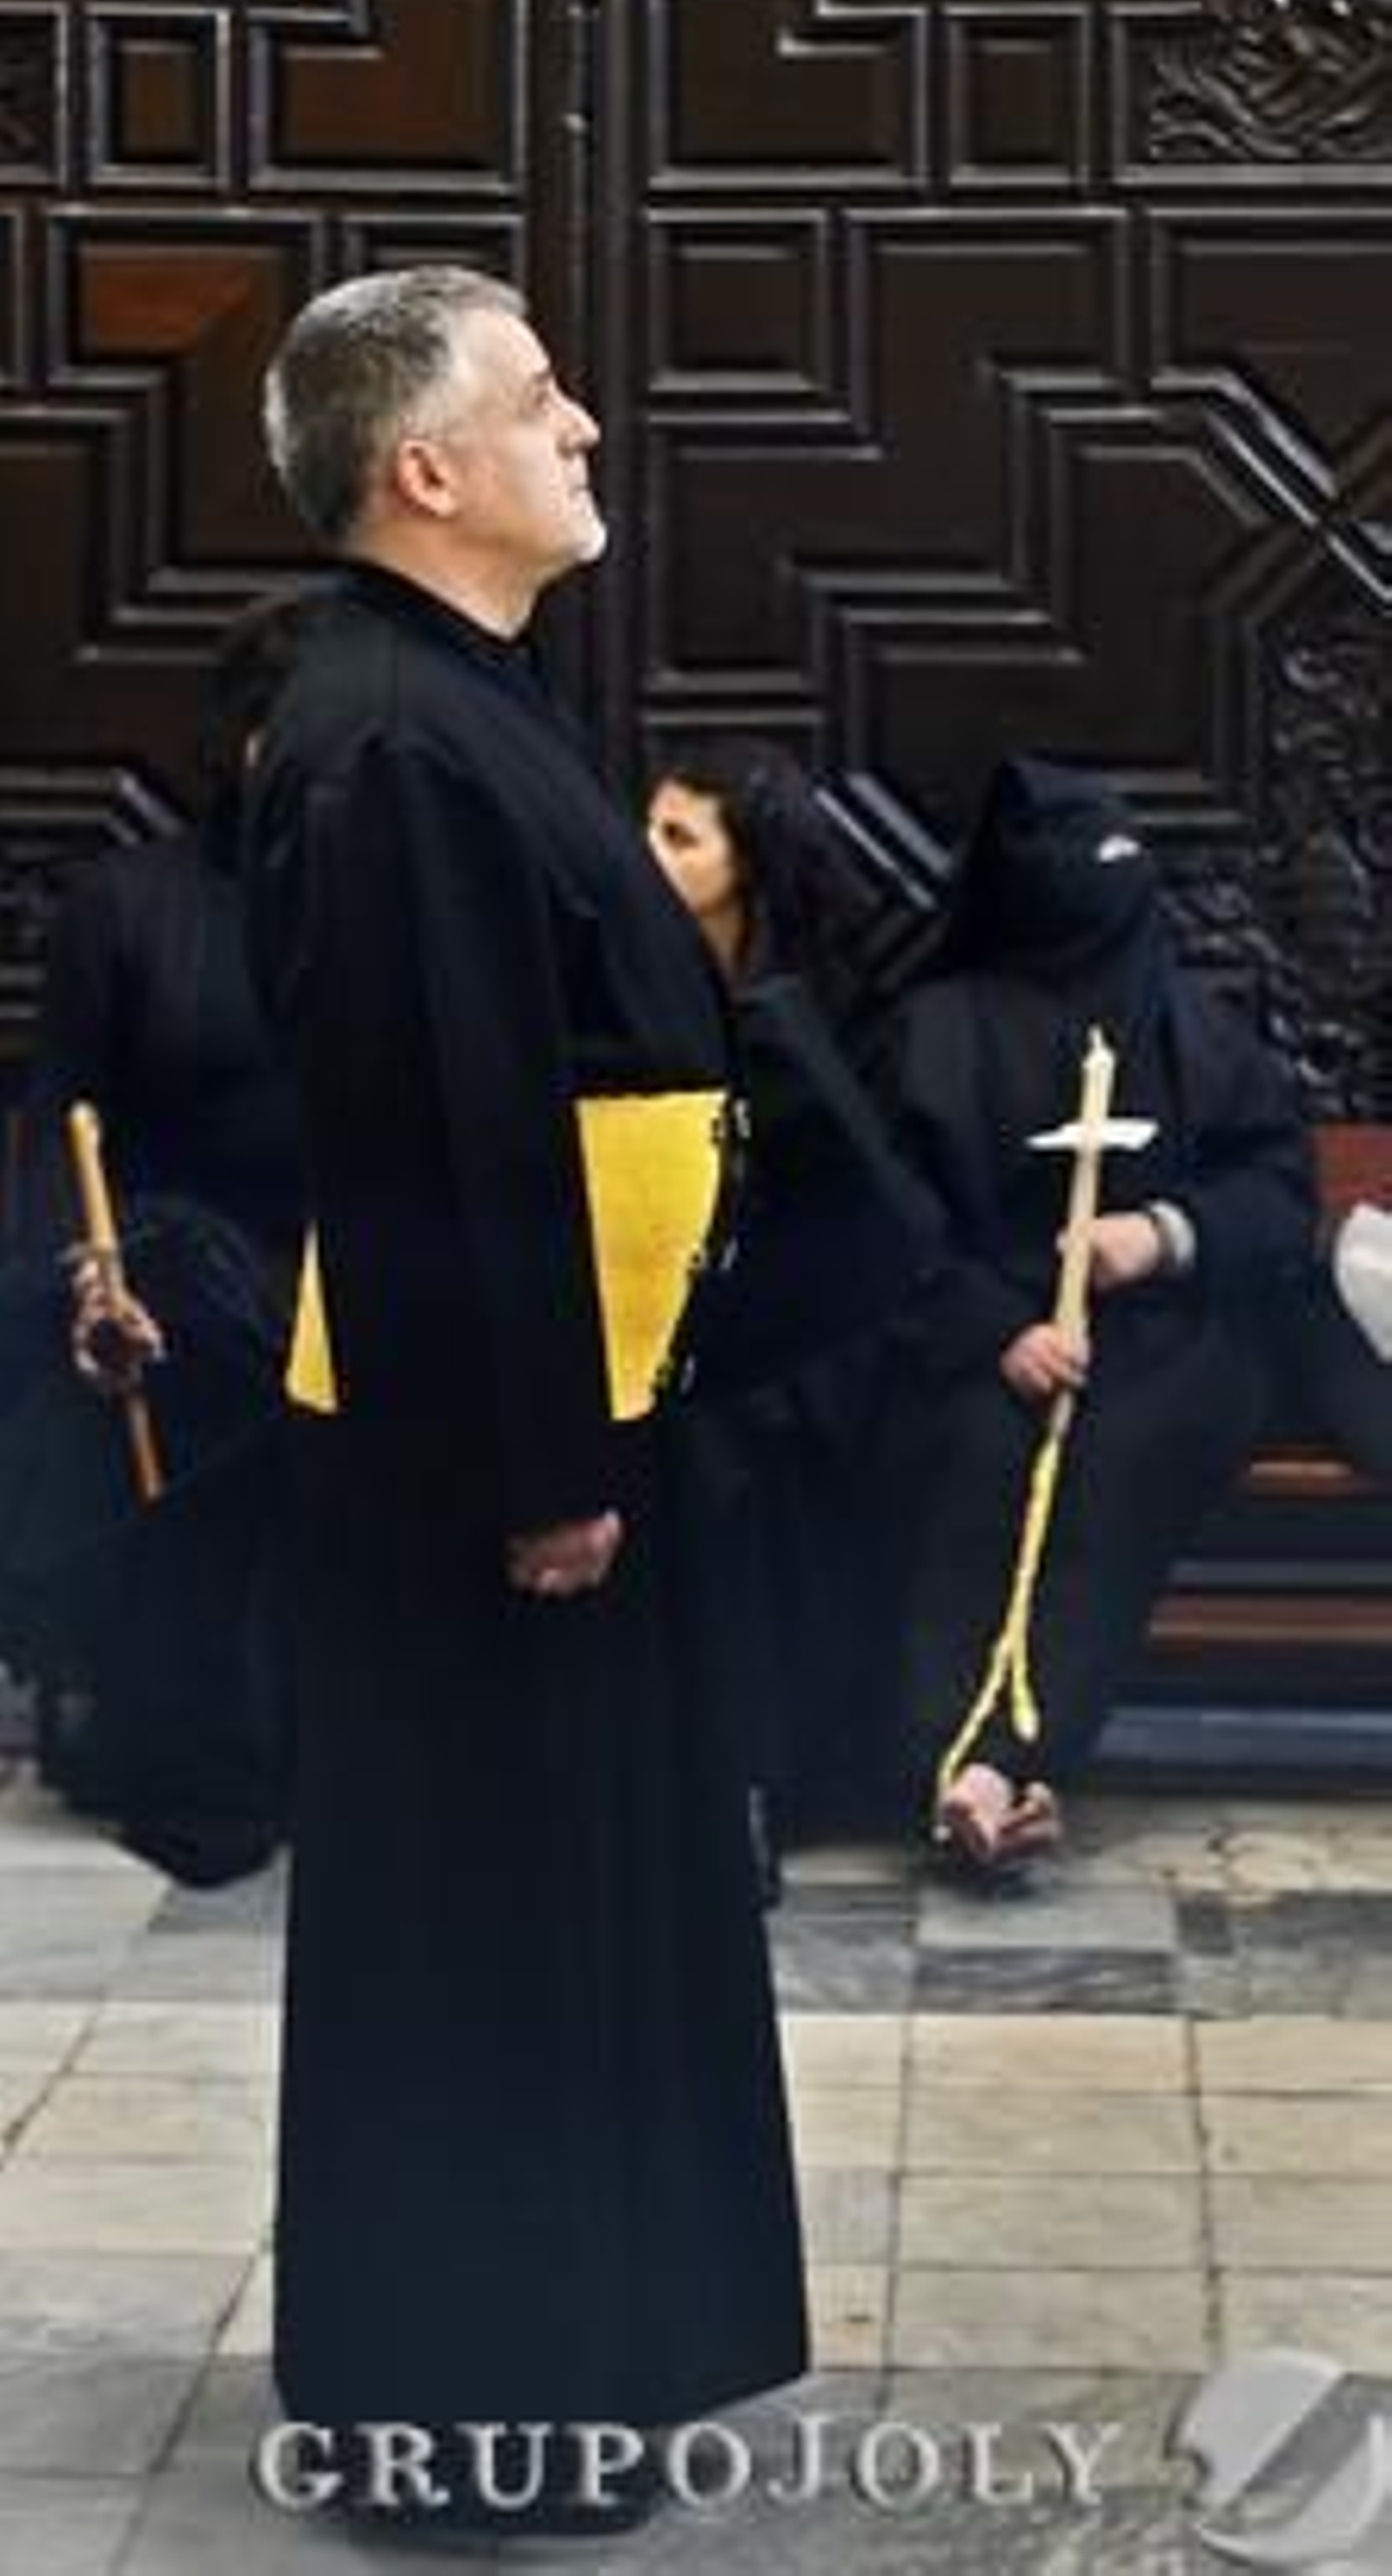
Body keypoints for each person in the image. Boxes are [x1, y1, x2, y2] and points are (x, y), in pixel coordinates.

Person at [243, 265, 806, 2535]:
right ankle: (463, 2420)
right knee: (484, 1932)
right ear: (424, 465)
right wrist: (540, 1465)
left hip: (572, 1406)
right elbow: (439, 1133)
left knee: (562, 1917)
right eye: (540, 394)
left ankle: (568, 2370)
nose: (583, 425)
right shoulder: (388, 736)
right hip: (485, 1452)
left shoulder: (468, 702)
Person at [889, 755, 1314, 1870]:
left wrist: (1163, 1233)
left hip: (1172, 1338)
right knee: (980, 1458)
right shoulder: (932, 1033)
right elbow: (891, 1214)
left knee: (1116, 1461)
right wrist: (996, 1328)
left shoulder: (1187, 1027)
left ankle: (1011, 1764)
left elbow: (1277, 1193)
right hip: (990, 1331)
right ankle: (946, 1757)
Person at [0, 593, 313, 1881]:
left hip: (354, 1282)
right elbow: (63, 1124)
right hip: (175, 1292)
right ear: (241, 740)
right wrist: (91, 1281)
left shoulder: (404, 908)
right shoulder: (131, 905)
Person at [646, 741, 938, 1855]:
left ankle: (755, 1780)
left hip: (825, 1322)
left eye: (679, 836)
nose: (647, 854)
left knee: (741, 1444)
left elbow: (878, 1206)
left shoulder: (848, 1010)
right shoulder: (631, 984)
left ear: (749, 863)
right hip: (677, 1308)